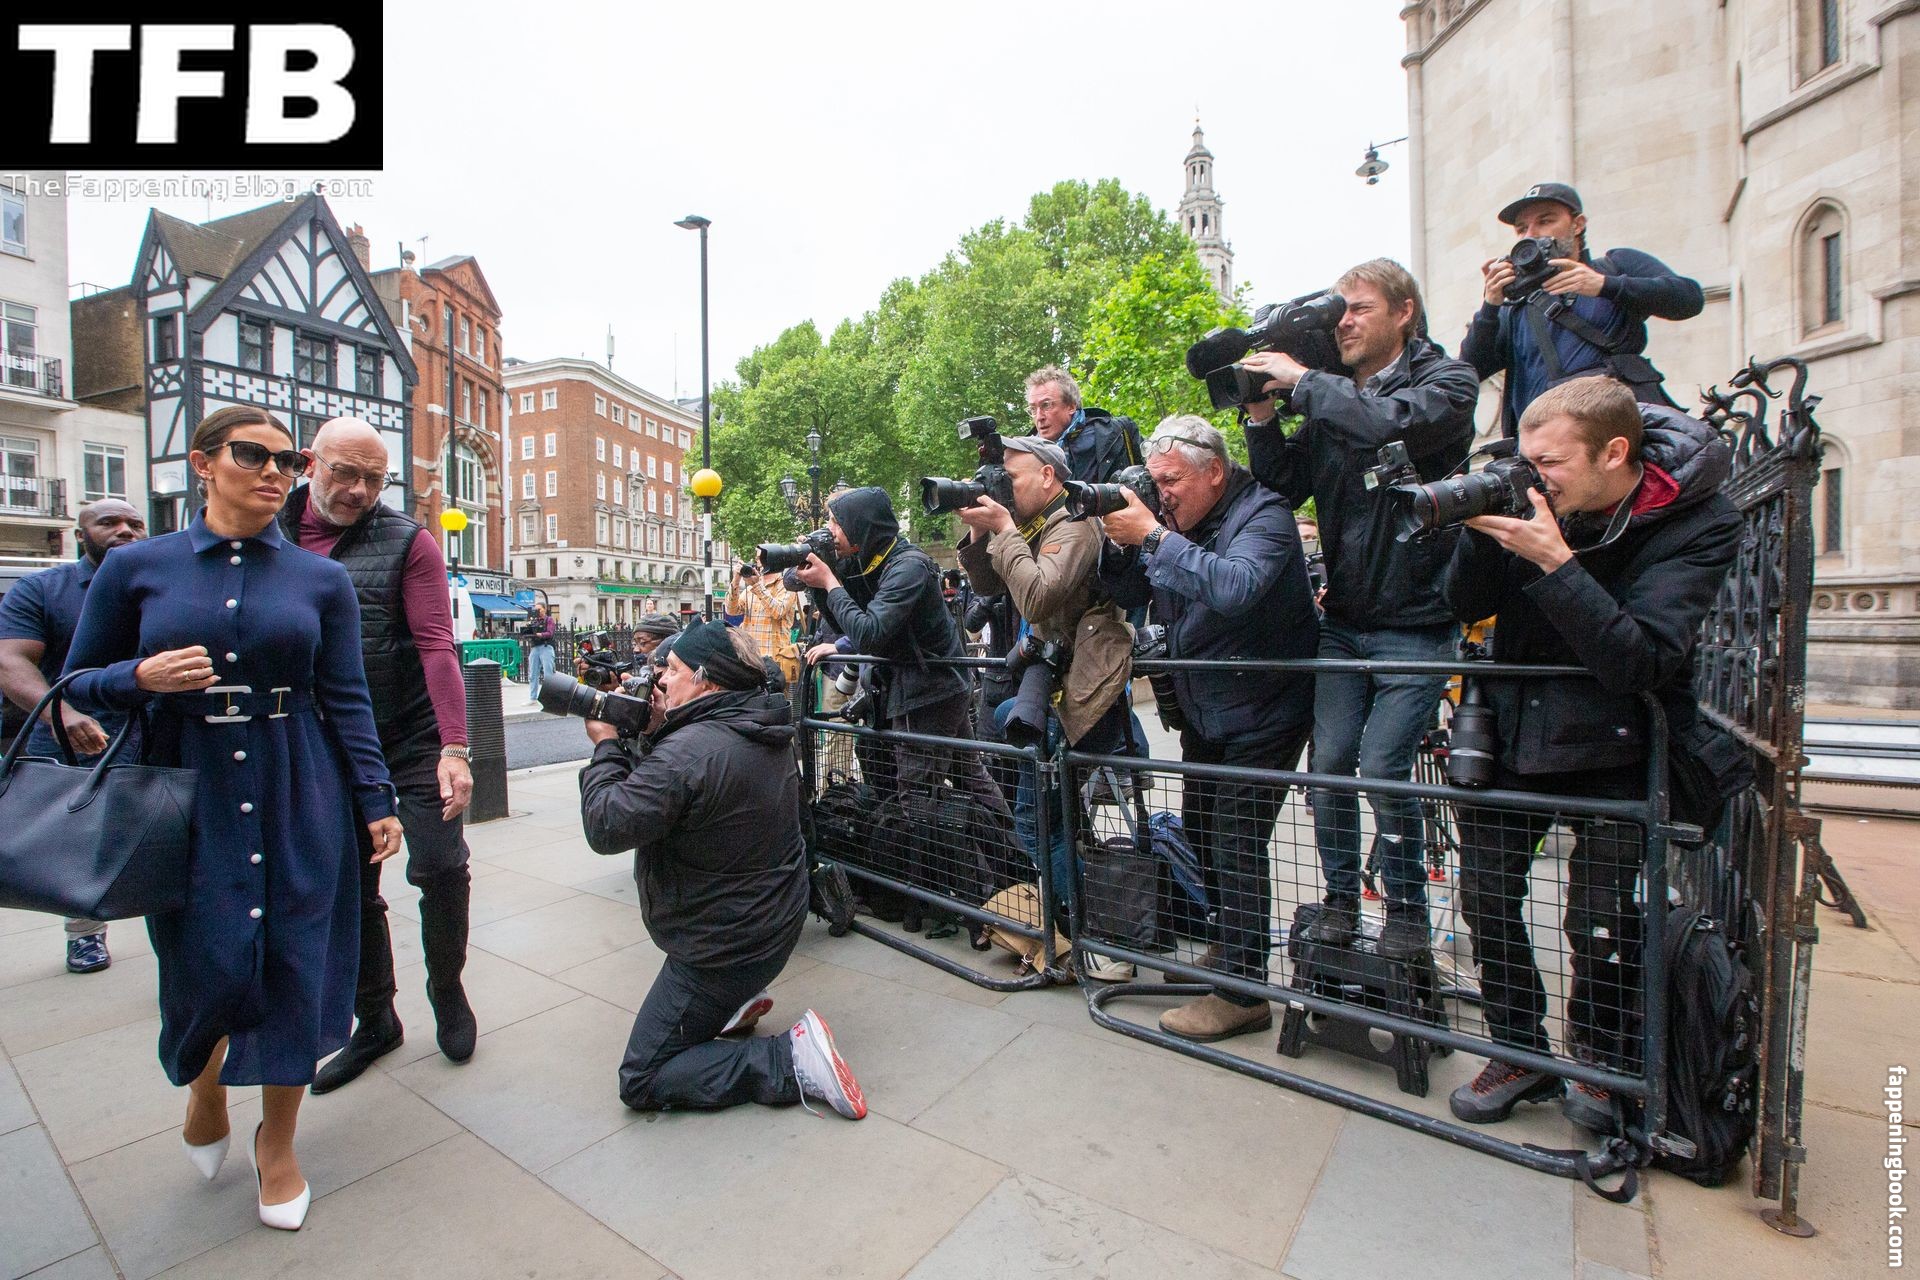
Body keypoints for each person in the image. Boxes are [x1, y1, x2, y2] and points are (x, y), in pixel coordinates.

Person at [62, 405, 401, 1231]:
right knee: (201, 962)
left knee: (297, 963)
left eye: (289, 461)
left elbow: (346, 697)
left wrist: (376, 800)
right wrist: (138, 677)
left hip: (299, 780)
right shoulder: (137, 568)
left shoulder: (320, 581)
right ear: (203, 462)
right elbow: (77, 683)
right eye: (254, 455)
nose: (275, 473)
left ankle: (277, 1143)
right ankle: (207, 1088)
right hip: (189, 786)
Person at [1440, 377, 1739, 1130]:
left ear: (1613, 453)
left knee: (1599, 919)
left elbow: (1643, 659)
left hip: (1618, 742)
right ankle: (1519, 1052)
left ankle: (1599, 1063)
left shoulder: (1696, 518)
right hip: (1510, 731)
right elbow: (1465, 605)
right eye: (1528, 459)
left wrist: (1557, 563)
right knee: (1487, 900)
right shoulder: (1535, 498)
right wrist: (1479, 528)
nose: (1535, 476)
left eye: (1551, 462)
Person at [1242, 258, 1479, 961]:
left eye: (1359, 308)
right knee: (1331, 767)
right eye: (1337, 311)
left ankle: (1406, 910)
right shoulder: (1332, 397)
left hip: (1419, 619)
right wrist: (1260, 413)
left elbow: (1384, 424)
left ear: (1405, 312)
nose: (1342, 322)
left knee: (1380, 767)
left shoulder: (1447, 381)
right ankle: (1343, 900)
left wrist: (1303, 381)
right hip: (1345, 620)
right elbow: (1284, 483)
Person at [578, 622, 865, 1119]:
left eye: (672, 669)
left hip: (724, 949)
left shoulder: (690, 752)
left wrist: (606, 744)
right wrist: (655, 730)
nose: (660, 679)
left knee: (643, 1078)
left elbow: (607, 824)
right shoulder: (756, 723)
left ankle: (790, 1058)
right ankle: (731, 1004)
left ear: (706, 681)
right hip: (770, 923)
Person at [1099, 417, 1318, 1042]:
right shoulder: (1177, 522)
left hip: (1265, 710)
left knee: (1236, 839)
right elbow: (1125, 588)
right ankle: (1231, 950)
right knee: (1201, 830)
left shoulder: (1264, 514)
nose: (1162, 493)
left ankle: (1243, 993)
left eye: (1171, 481)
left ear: (1214, 470)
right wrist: (1120, 539)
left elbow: (1236, 588)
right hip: (1207, 712)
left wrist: (1153, 535)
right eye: (1157, 482)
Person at [278, 417, 476, 1094]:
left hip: (410, 733)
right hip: (329, 742)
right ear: (310, 463)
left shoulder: (408, 541)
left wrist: (454, 747)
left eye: (374, 478)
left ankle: (447, 989)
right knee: (353, 886)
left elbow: (437, 644)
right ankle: (376, 1018)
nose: (360, 490)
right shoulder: (269, 530)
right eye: (345, 473)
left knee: (441, 865)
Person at [796, 486, 1016, 929]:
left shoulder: (908, 565)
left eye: (836, 522)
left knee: (917, 796)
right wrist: (820, 585)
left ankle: (959, 899)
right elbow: (845, 623)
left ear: (861, 525)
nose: (831, 530)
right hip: (926, 689)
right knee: (970, 778)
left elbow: (871, 633)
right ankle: (1011, 871)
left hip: (928, 692)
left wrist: (831, 584)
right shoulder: (873, 560)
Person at [954, 435, 1132, 932]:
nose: (1003, 486)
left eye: (1010, 477)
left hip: (1081, 686)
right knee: (1038, 794)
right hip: (1052, 681)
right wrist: (980, 530)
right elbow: (990, 587)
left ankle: (1078, 927)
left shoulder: (1073, 523)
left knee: (1037, 823)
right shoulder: (1036, 524)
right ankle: (1067, 920)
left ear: (1048, 475)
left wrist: (1004, 528)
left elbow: (1035, 599)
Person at [0, 499, 148, 973]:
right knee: (81, 842)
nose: (125, 530)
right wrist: (60, 715)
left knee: (165, 835)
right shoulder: (43, 589)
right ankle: (85, 933)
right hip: (72, 736)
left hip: (151, 729)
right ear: (81, 535)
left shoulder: (160, 585)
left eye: (135, 524)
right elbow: (10, 661)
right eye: (109, 523)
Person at [1461, 182, 1705, 434]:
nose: (1530, 234)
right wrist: (1490, 305)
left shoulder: (1615, 266)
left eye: (1545, 221)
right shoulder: (1514, 304)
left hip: (1617, 432)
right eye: (1522, 229)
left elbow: (1689, 299)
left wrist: (1604, 285)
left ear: (1577, 224)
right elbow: (1468, 372)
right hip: (1546, 441)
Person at [1023, 365, 1144, 483]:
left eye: (1046, 405)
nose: (1039, 417)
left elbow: (1151, 476)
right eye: (1033, 409)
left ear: (1071, 406)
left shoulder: (1117, 432)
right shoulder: (1026, 454)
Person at [725, 563, 802, 687]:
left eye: (760, 558)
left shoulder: (786, 586)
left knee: (776, 698)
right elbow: (731, 610)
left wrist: (757, 586)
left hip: (775, 663)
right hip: (750, 661)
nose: (757, 562)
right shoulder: (750, 590)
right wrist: (736, 580)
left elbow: (778, 611)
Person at [521, 603, 556, 701]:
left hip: (546, 646)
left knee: (548, 674)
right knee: (533, 673)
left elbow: (550, 633)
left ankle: (549, 697)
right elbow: (527, 632)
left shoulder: (549, 620)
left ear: (544, 609)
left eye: (539, 609)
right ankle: (533, 697)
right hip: (535, 647)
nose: (537, 612)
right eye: (536, 610)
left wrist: (540, 634)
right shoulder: (534, 621)